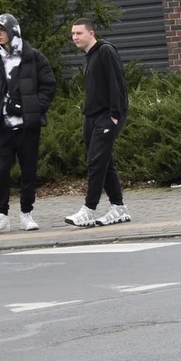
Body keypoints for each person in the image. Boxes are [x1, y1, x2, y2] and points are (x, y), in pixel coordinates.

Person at [0, 14, 56, 236]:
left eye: (2, 29)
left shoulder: (34, 57)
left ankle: (26, 214)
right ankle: (1, 217)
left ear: (13, 30)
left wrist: (34, 107)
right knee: (2, 172)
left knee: (28, 172)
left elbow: (49, 85)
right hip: (1, 128)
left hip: (27, 127)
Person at [65, 19, 131, 228]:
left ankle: (89, 209)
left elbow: (117, 83)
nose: (75, 37)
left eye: (79, 33)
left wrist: (115, 115)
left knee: (96, 162)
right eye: (73, 34)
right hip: (92, 117)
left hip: (107, 116)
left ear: (91, 33)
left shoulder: (105, 52)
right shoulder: (89, 56)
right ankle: (118, 207)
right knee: (104, 162)